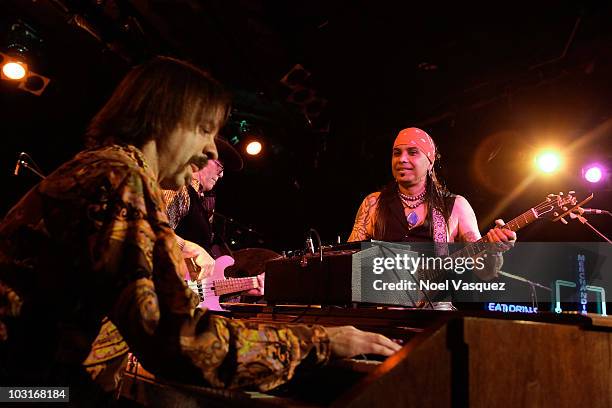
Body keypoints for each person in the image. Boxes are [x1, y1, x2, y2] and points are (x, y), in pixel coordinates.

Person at [0, 56, 400, 404]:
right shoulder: (120, 178)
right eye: (205, 130)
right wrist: (322, 343)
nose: (211, 150)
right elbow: (178, 340)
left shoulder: (101, 168)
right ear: (167, 118)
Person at [348, 127, 516, 290]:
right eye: (397, 153)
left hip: (433, 311)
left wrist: (494, 251)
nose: (402, 159)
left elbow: (486, 272)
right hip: (382, 310)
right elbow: (349, 263)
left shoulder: (456, 206)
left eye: (412, 152)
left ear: (430, 161)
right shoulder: (374, 203)